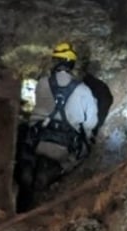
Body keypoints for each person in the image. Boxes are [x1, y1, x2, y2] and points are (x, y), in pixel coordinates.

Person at [15, 42, 99, 210]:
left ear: (55, 62)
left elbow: (36, 110)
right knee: (85, 148)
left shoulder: (42, 83)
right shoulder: (84, 90)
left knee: (24, 130)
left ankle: (27, 165)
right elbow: (91, 123)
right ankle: (60, 170)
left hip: (36, 141)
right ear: (71, 64)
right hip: (64, 147)